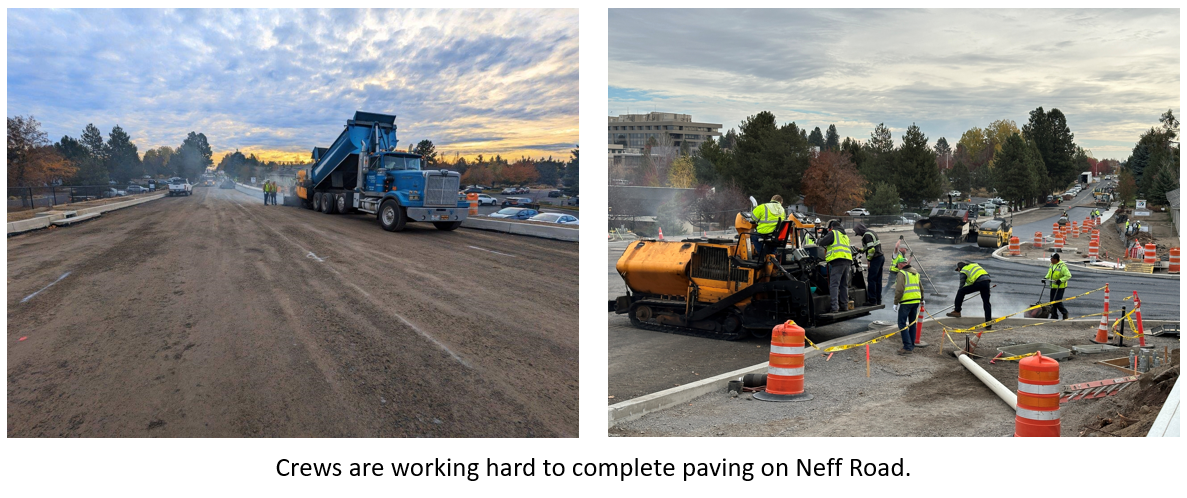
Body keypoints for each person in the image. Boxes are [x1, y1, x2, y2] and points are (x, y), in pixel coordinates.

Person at [816, 219, 853, 313]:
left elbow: (822, 243)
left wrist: (820, 238)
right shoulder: (844, 235)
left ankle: (835, 307)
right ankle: (844, 306)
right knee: (844, 284)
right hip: (847, 261)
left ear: (831, 227)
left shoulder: (834, 233)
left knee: (834, 285)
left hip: (838, 261)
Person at [946, 261, 993, 328]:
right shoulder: (974, 265)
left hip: (979, 281)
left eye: (958, 270)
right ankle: (988, 324)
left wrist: (960, 296)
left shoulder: (964, 270)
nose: (959, 272)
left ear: (959, 268)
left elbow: (961, 285)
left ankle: (957, 311)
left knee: (961, 292)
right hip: (986, 281)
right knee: (986, 303)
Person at [893, 259, 922, 355]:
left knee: (901, 323)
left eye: (897, 265)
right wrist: (922, 299)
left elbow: (899, 289)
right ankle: (911, 344)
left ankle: (907, 347)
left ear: (901, 265)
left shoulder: (902, 273)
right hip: (916, 301)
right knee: (912, 323)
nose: (897, 268)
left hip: (906, 302)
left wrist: (895, 302)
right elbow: (921, 288)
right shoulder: (916, 273)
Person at [853, 223, 883, 305]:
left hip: (875, 258)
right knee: (878, 280)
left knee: (871, 279)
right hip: (880, 257)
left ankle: (872, 300)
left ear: (859, 230)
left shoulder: (866, 235)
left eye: (857, 233)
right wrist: (861, 250)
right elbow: (869, 246)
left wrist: (869, 260)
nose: (858, 234)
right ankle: (878, 300)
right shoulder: (871, 232)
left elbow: (872, 250)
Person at [750, 195, 785, 260]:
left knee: (753, 236)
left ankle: (761, 256)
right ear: (780, 202)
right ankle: (771, 256)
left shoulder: (763, 206)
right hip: (775, 235)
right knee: (774, 241)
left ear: (772, 200)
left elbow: (753, 218)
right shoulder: (782, 210)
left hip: (763, 233)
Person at [1043, 253, 1071, 320]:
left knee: (1057, 301)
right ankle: (1054, 316)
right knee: (1052, 301)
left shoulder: (1062, 266)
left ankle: (1064, 313)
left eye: (1052, 258)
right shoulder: (1052, 265)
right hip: (1053, 286)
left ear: (1056, 259)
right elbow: (1049, 273)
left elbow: (1068, 275)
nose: (1050, 260)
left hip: (1060, 287)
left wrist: (1060, 280)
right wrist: (1045, 278)